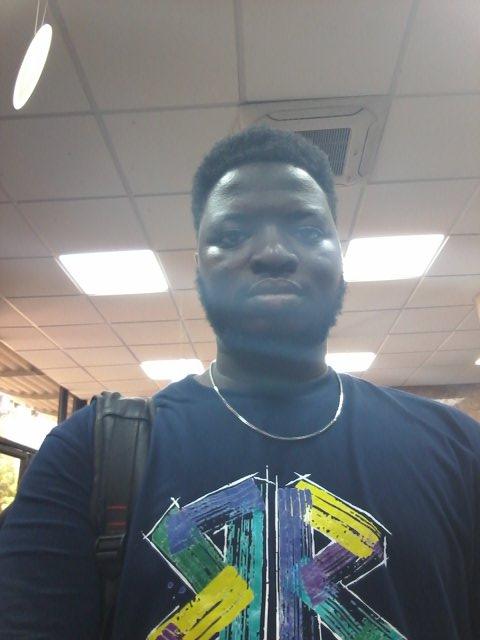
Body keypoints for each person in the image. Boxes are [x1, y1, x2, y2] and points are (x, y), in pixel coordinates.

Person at [0, 126, 479, 640]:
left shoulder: (458, 451)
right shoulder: (88, 456)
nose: (272, 251)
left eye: (307, 229)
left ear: (340, 258)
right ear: (199, 269)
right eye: (231, 236)